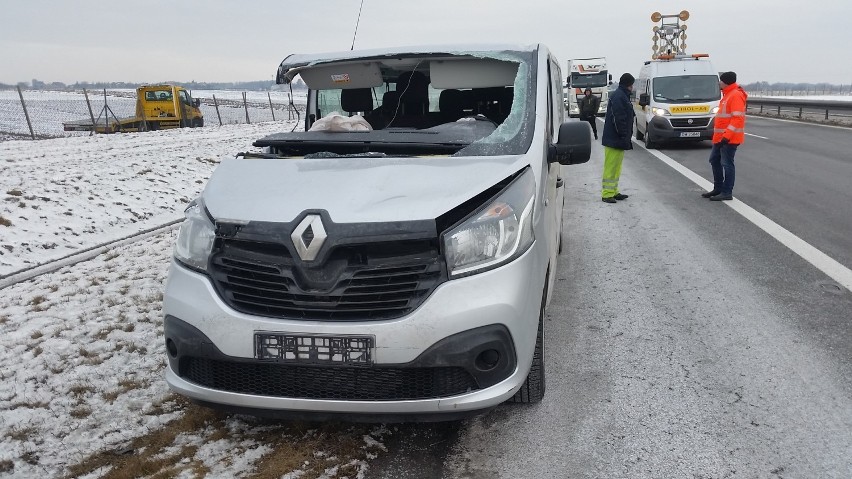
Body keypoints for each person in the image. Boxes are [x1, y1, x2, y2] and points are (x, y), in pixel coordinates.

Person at [703, 71, 748, 201]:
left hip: (729, 138)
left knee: (727, 164)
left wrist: (727, 136)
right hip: (720, 138)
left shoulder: (735, 95)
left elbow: (737, 119)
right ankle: (718, 188)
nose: (719, 82)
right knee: (714, 160)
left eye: (721, 80)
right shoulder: (727, 95)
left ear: (726, 82)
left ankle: (727, 192)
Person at [600, 73, 636, 204]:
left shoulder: (621, 95)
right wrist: (623, 134)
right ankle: (607, 194)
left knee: (616, 166)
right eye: (632, 84)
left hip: (618, 139)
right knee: (611, 167)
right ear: (629, 84)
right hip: (615, 138)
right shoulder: (619, 96)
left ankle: (614, 191)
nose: (633, 87)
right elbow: (618, 118)